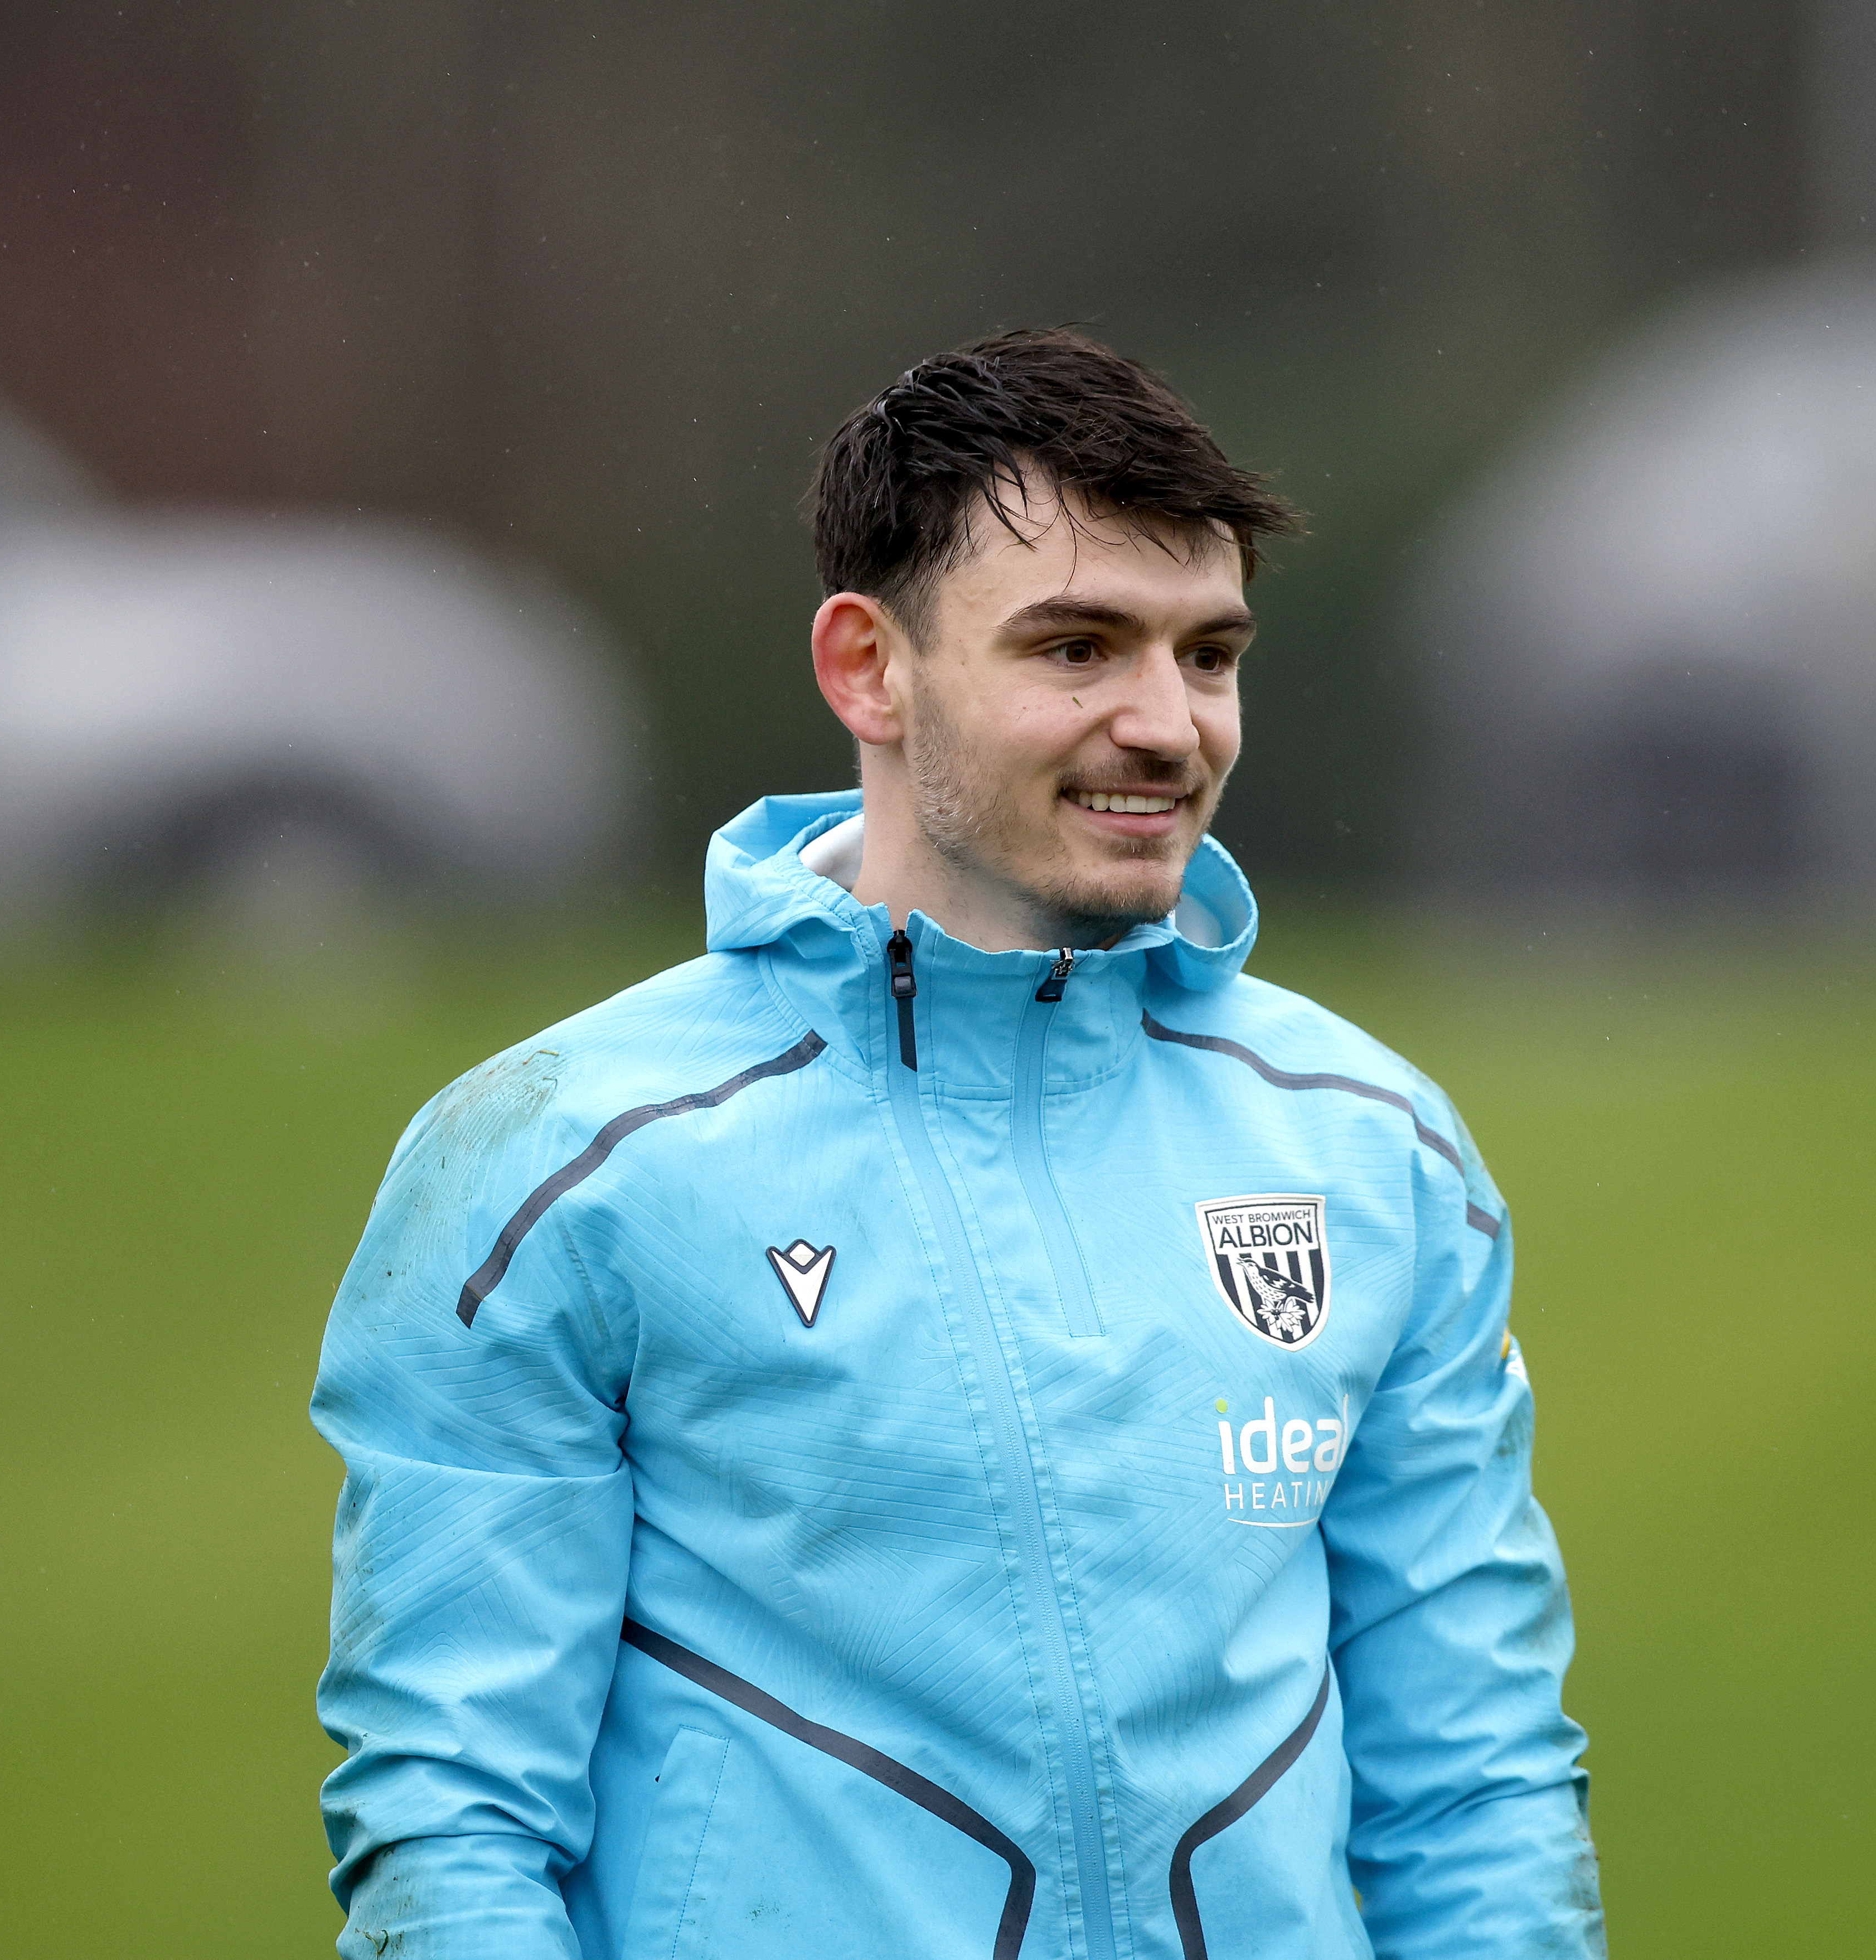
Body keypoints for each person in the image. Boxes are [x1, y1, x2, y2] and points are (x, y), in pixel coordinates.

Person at [312, 328, 1604, 1959]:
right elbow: (452, 1815)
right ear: (868, 667)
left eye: (1209, 656)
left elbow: (1478, 1788)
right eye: (1079, 647)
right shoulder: (565, 1161)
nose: (1168, 724)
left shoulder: (1372, 1147)